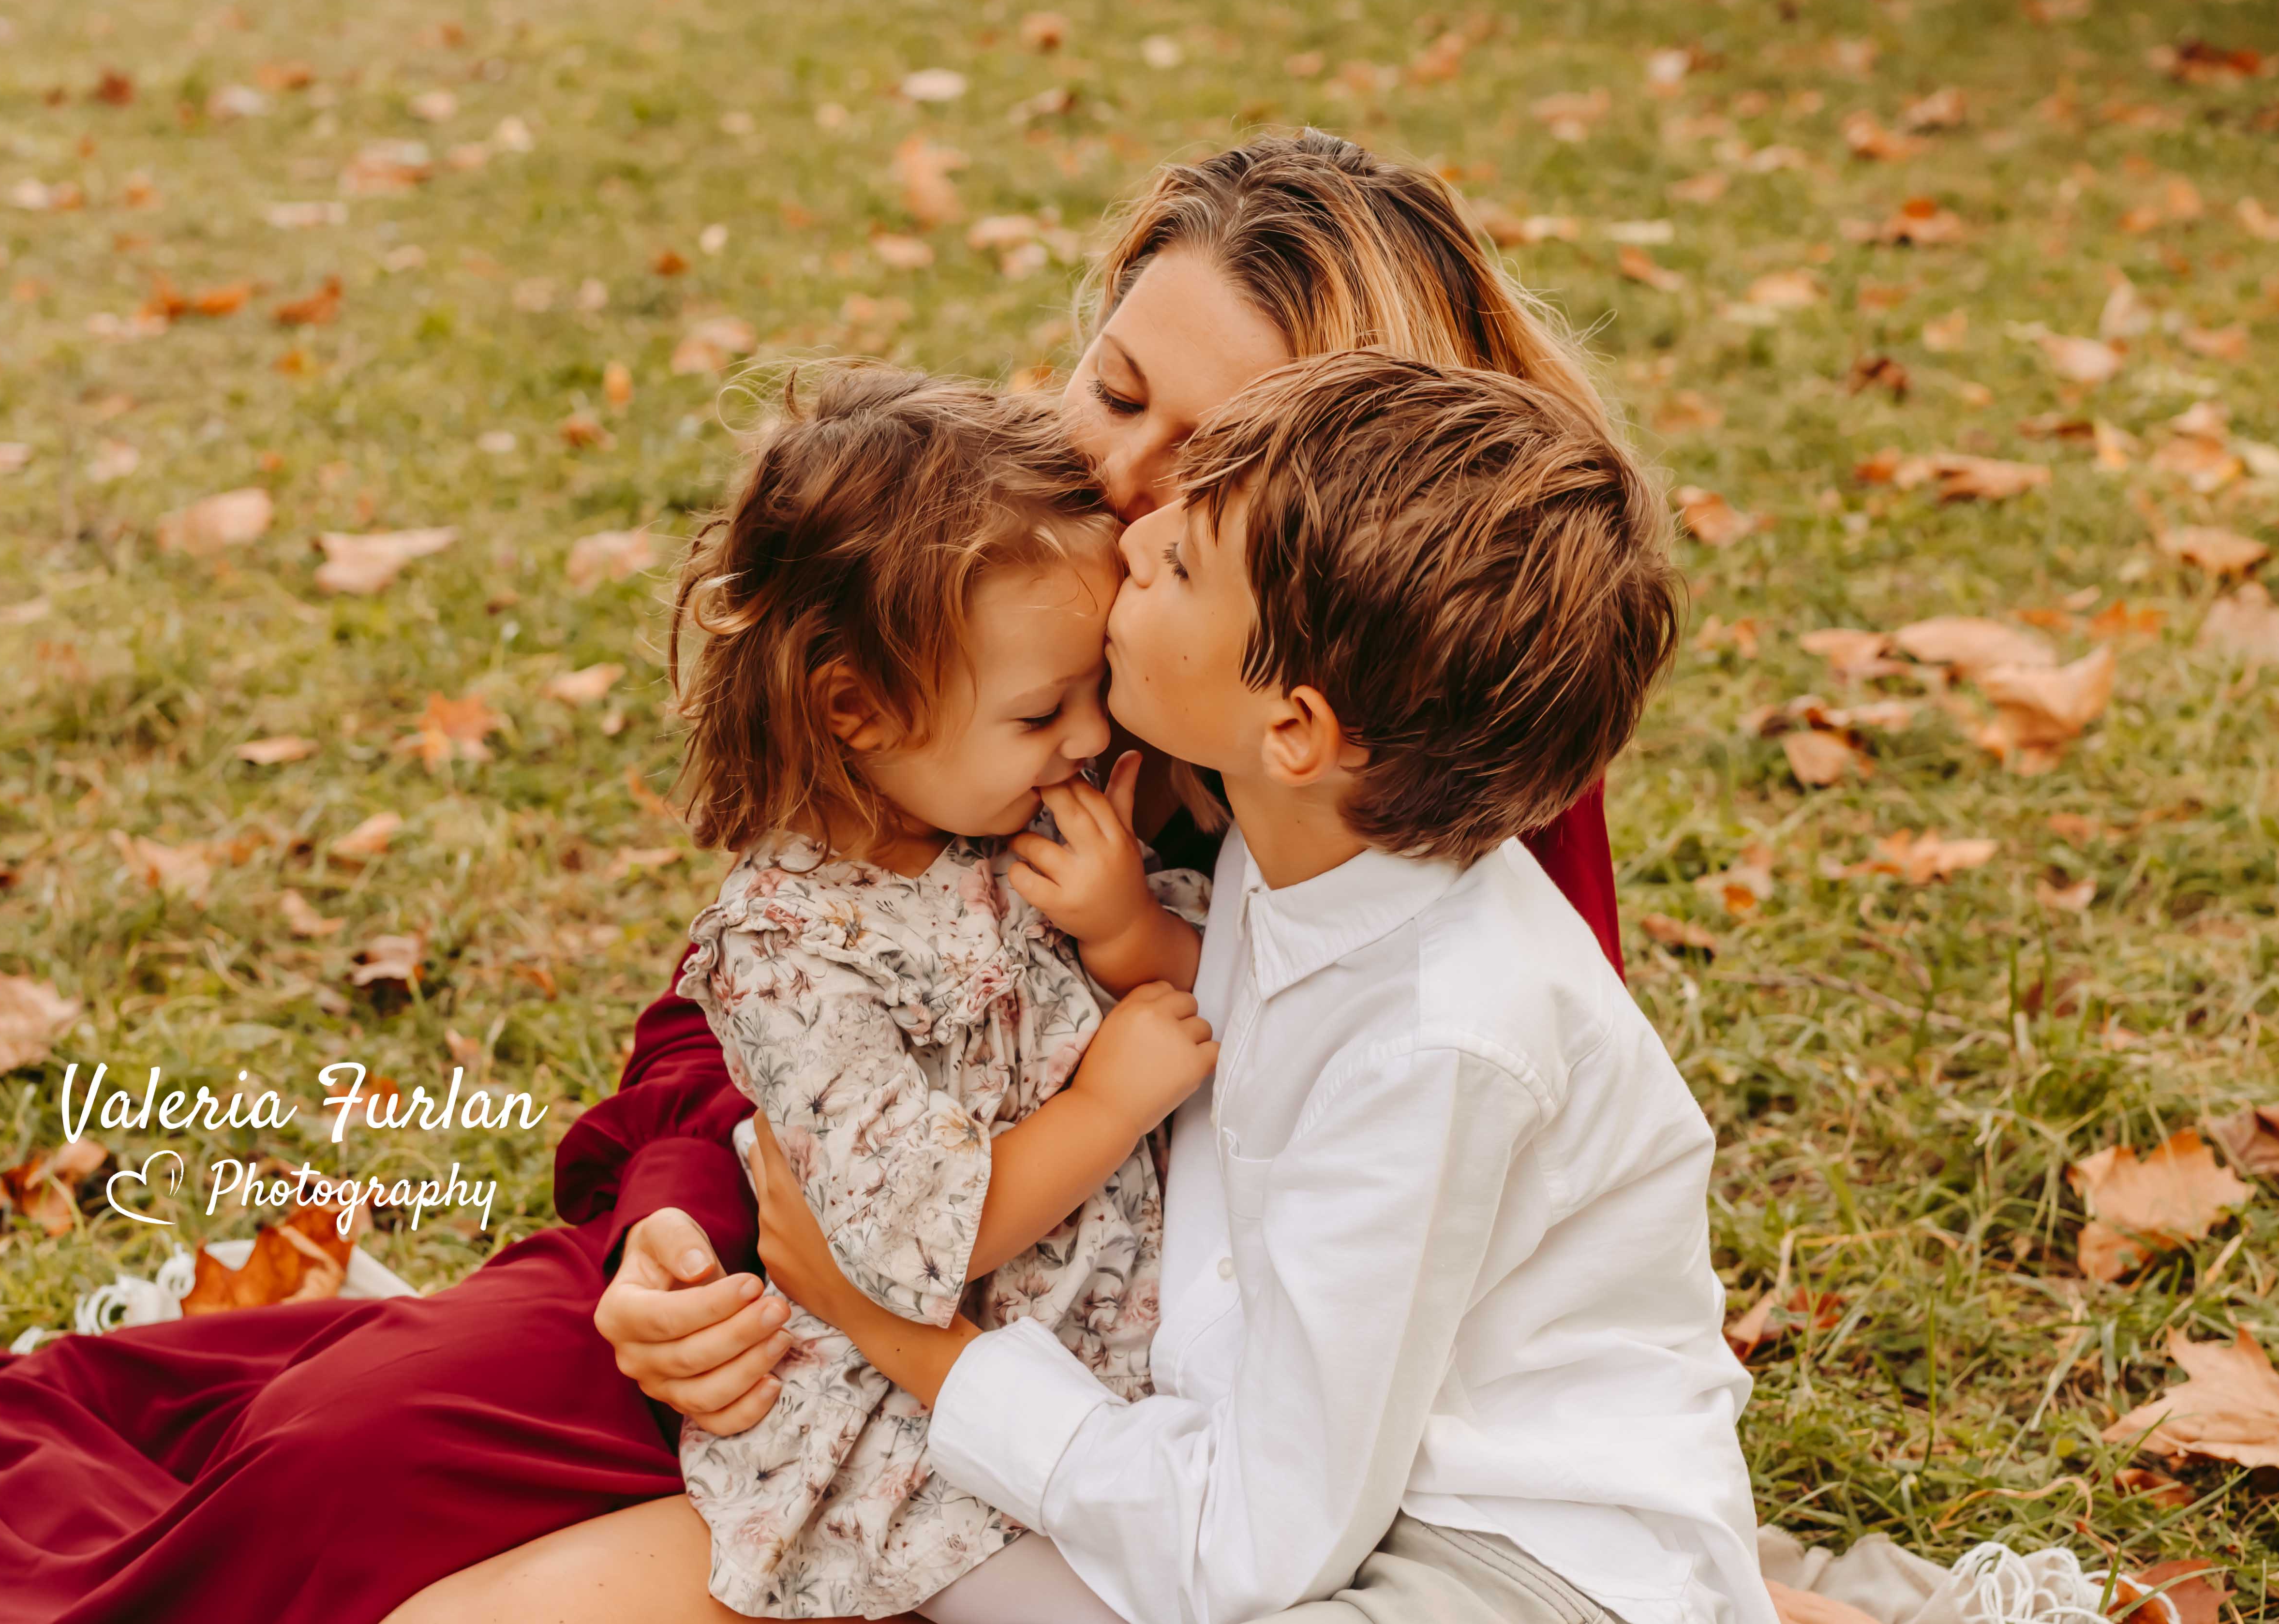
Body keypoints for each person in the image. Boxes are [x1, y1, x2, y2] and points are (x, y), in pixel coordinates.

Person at [447, 355, 1760, 1624]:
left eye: (1186, 560)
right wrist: (1135, 937)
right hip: (1278, 1468)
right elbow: (1253, 1037)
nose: (1136, 537)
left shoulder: (1446, 1039)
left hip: (1503, 1560)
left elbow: (1247, 1554)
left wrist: (907, 1340)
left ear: (1293, 726)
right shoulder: (1303, 847)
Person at [659, 363, 1213, 1621]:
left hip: (1088, 1404)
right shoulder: (796, 949)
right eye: (1039, 710)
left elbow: (1210, 997)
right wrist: (1109, 1105)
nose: (1088, 736)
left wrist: (1126, 926)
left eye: (1091, 692)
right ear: (859, 706)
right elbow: (923, 1238)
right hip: (919, 1468)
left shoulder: (1007, 828)